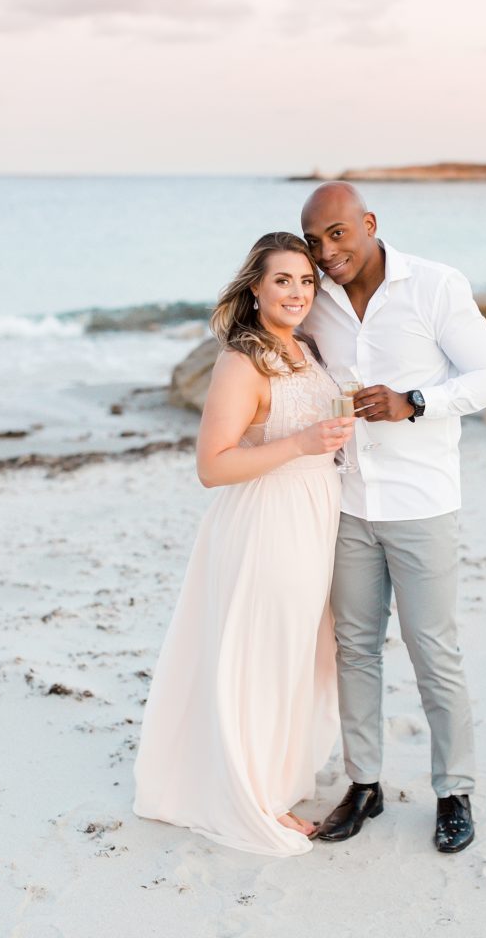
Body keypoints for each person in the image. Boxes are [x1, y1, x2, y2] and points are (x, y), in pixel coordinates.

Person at [299, 183, 486, 853]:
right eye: (314, 240)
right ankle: (365, 786)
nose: (327, 251)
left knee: (432, 651)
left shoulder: (435, 285)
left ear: (368, 223)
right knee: (353, 649)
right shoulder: (316, 300)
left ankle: (454, 791)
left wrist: (413, 400)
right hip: (348, 503)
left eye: (337, 234)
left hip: (422, 503)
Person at [133, 231, 355, 857]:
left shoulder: (307, 348)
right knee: (268, 654)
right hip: (267, 520)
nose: (297, 292)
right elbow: (212, 466)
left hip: (318, 515)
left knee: (312, 653)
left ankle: (280, 777)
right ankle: (256, 795)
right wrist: (302, 444)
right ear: (255, 286)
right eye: (283, 280)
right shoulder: (242, 360)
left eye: (307, 281)